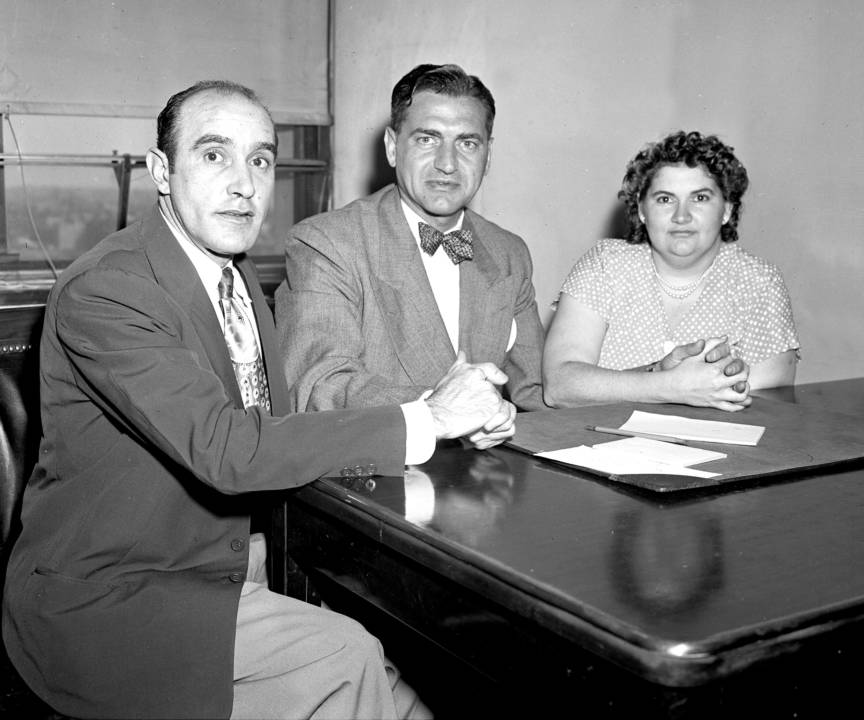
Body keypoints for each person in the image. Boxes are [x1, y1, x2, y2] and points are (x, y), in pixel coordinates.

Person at [1, 80, 515, 720]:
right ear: (162, 171)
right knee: (347, 657)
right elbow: (227, 449)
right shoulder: (109, 288)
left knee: (405, 672)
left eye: (261, 160)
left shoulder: (236, 279)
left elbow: (284, 428)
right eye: (214, 155)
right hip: (110, 597)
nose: (244, 183)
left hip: (228, 568)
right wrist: (430, 417)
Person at [275, 63, 546, 450]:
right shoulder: (327, 242)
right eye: (427, 139)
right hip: (373, 478)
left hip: (487, 481)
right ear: (391, 146)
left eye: (468, 143)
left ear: (488, 155)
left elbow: (532, 400)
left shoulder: (509, 253)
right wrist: (436, 410)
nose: (448, 163)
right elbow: (317, 387)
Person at [542, 130, 800, 412]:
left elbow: (771, 398)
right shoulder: (605, 264)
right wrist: (669, 384)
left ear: (726, 209)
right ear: (641, 209)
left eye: (700, 198)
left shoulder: (759, 282)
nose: (681, 216)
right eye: (665, 199)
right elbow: (559, 386)